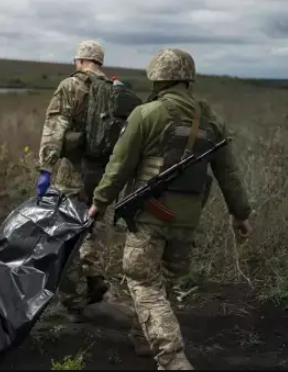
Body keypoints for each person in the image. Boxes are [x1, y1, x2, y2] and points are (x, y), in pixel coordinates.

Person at [88, 48, 253, 370]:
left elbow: (119, 165)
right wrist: (240, 214)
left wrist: (99, 202)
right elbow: (228, 174)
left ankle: (173, 359)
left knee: (142, 281)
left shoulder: (147, 113)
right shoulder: (211, 121)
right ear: (187, 78)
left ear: (157, 77)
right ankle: (144, 339)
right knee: (161, 281)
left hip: (151, 214)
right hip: (187, 218)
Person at [36, 40, 141, 322]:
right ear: (100, 63)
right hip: (104, 175)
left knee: (65, 235)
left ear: (80, 60)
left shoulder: (70, 86)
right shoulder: (115, 90)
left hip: (72, 174)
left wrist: (46, 168)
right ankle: (93, 277)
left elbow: (55, 126)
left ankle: (73, 302)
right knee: (89, 229)